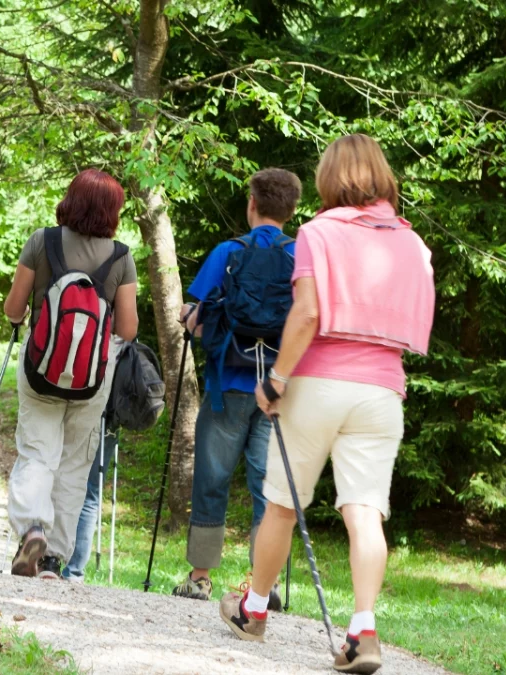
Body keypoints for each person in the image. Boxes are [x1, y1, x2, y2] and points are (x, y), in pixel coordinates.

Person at [218, 135, 435, 675]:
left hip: (319, 382)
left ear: (329, 178)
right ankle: (363, 630)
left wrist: (277, 378)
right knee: (365, 512)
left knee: (283, 504)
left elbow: (309, 312)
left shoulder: (318, 233)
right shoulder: (413, 243)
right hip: (383, 387)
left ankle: (255, 609)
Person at [171, 168, 303, 603]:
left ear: (252, 204)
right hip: (278, 390)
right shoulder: (302, 257)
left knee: (212, 476)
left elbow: (198, 317)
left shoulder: (229, 252)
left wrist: (189, 317)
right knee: (270, 485)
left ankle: (200, 577)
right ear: (292, 209)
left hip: (228, 381)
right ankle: (265, 585)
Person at [3, 169, 139, 580]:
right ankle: (52, 559)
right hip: (92, 379)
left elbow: (13, 308)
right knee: (75, 465)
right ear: (112, 211)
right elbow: (128, 330)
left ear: (71, 199)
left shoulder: (41, 242)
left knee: (37, 452)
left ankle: (31, 528)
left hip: (41, 370)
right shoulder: (121, 256)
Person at [61, 407, 117, 582]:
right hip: (112, 414)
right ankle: (74, 571)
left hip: (81, 405)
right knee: (91, 493)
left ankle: (48, 561)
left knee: (59, 481)